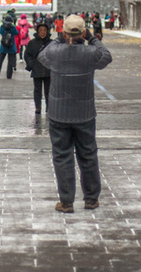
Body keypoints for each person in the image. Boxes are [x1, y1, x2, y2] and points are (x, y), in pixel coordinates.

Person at [37, 14, 112, 213]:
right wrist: (92, 38)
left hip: (58, 113)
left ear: (64, 32)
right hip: (85, 113)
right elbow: (107, 56)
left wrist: (61, 38)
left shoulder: (54, 52)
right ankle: (91, 199)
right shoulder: (91, 53)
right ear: (83, 32)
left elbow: (42, 56)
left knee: (62, 156)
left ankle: (67, 201)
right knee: (88, 155)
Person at [24, 22, 52, 115]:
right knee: (37, 90)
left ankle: (49, 107)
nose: (43, 32)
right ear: (37, 31)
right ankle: (38, 107)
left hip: (48, 71)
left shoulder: (51, 43)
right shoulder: (32, 43)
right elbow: (27, 55)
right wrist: (32, 64)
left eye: (44, 30)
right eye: (40, 30)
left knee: (49, 91)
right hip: (37, 70)